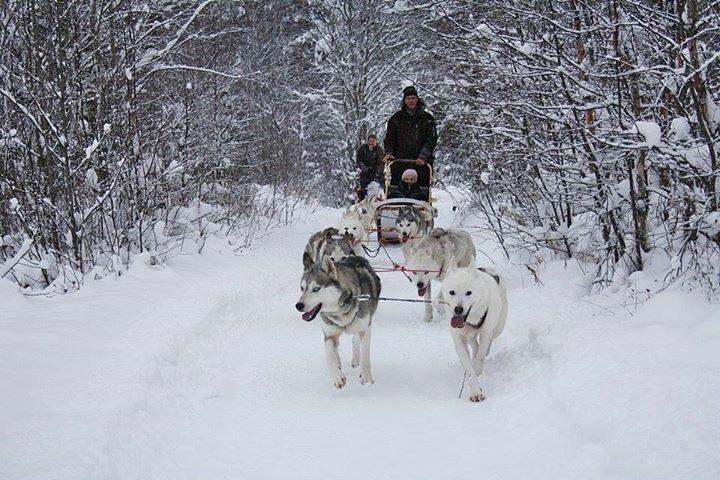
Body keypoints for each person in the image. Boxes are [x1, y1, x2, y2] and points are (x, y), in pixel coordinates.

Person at [383, 86, 438, 167]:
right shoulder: (395, 119)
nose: (411, 101)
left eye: (413, 98)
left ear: (417, 99)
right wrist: (389, 152)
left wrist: (423, 155)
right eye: (408, 98)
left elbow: (432, 139)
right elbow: (389, 138)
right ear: (404, 101)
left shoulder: (427, 119)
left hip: (422, 163)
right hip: (400, 162)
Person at [355, 133, 385, 200]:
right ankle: (363, 200)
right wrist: (365, 169)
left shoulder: (379, 150)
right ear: (368, 141)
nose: (372, 143)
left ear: (376, 142)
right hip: (365, 172)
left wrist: (376, 172)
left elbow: (381, 162)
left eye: (373, 141)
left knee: (380, 186)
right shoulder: (362, 149)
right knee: (364, 187)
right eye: (371, 141)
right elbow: (359, 160)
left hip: (376, 172)